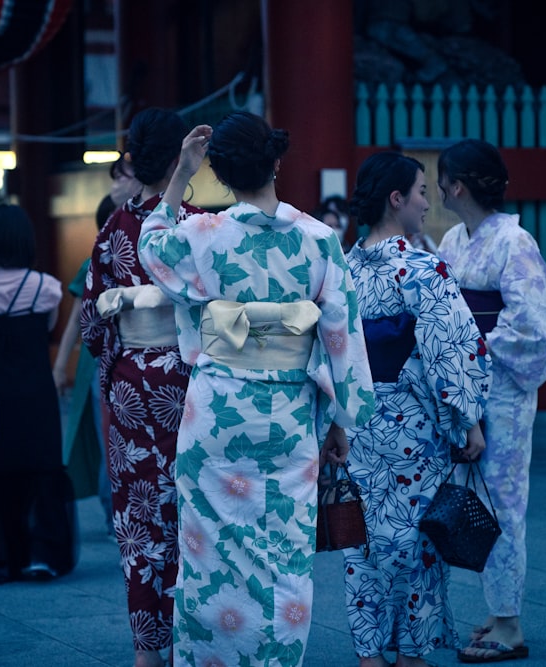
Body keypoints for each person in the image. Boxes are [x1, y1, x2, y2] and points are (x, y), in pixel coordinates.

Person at [137, 111, 376, 667]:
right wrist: (341, 418)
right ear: (276, 161)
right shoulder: (320, 240)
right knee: (284, 552)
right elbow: (342, 333)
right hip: (287, 414)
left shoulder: (202, 234)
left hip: (216, 413)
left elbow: (152, 247)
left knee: (207, 553)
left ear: (220, 174)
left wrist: (181, 175)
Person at [342, 151, 491, 667]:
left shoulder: (342, 270)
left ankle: (368, 652)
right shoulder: (423, 269)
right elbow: (452, 352)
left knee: (361, 538)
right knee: (416, 539)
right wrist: (467, 417)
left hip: (356, 421)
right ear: (396, 198)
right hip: (411, 424)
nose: (429, 203)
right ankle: (410, 652)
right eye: (422, 192)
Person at [435, 138, 546, 663]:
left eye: (442, 180)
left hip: (503, 391)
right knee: (477, 498)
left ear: (458, 185)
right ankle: (497, 608)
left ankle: (510, 624)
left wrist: (470, 350)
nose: (439, 189)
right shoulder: (452, 238)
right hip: (470, 384)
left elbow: (533, 326)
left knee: (505, 501)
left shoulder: (515, 242)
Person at [79, 107, 201, 667]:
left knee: (139, 518)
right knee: (194, 514)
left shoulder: (113, 227)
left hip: (132, 383)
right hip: (191, 384)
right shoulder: (199, 224)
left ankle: (147, 651)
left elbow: (91, 324)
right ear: (182, 157)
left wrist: (117, 365)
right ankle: (195, 638)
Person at [0, 203, 77, 585]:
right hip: (36, 395)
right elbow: (49, 330)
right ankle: (41, 556)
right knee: (40, 470)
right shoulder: (45, 288)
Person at [52, 152, 139, 523]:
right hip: (100, 359)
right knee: (109, 438)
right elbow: (77, 320)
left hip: (134, 355)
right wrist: (59, 367)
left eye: (122, 176)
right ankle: (114, 510)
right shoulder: (94, 261)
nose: (115, 183)